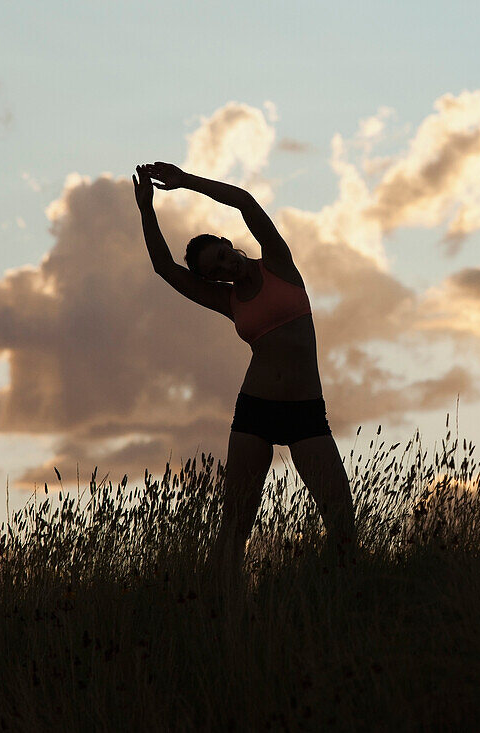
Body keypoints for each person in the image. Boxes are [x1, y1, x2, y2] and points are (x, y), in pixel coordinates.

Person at [132, 162, 357, 581]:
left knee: (342, 524)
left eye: (222, 257)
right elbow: (165, 268)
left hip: (306, 412)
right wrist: (147, 210)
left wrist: (185, 182)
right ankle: (226, 613)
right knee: (234, 530)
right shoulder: (227, 301)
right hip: (255, 411)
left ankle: (346, 600)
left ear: (226, 243)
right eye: (214, 271)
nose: (225, 269)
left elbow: (243, 201)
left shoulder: (278, 263)